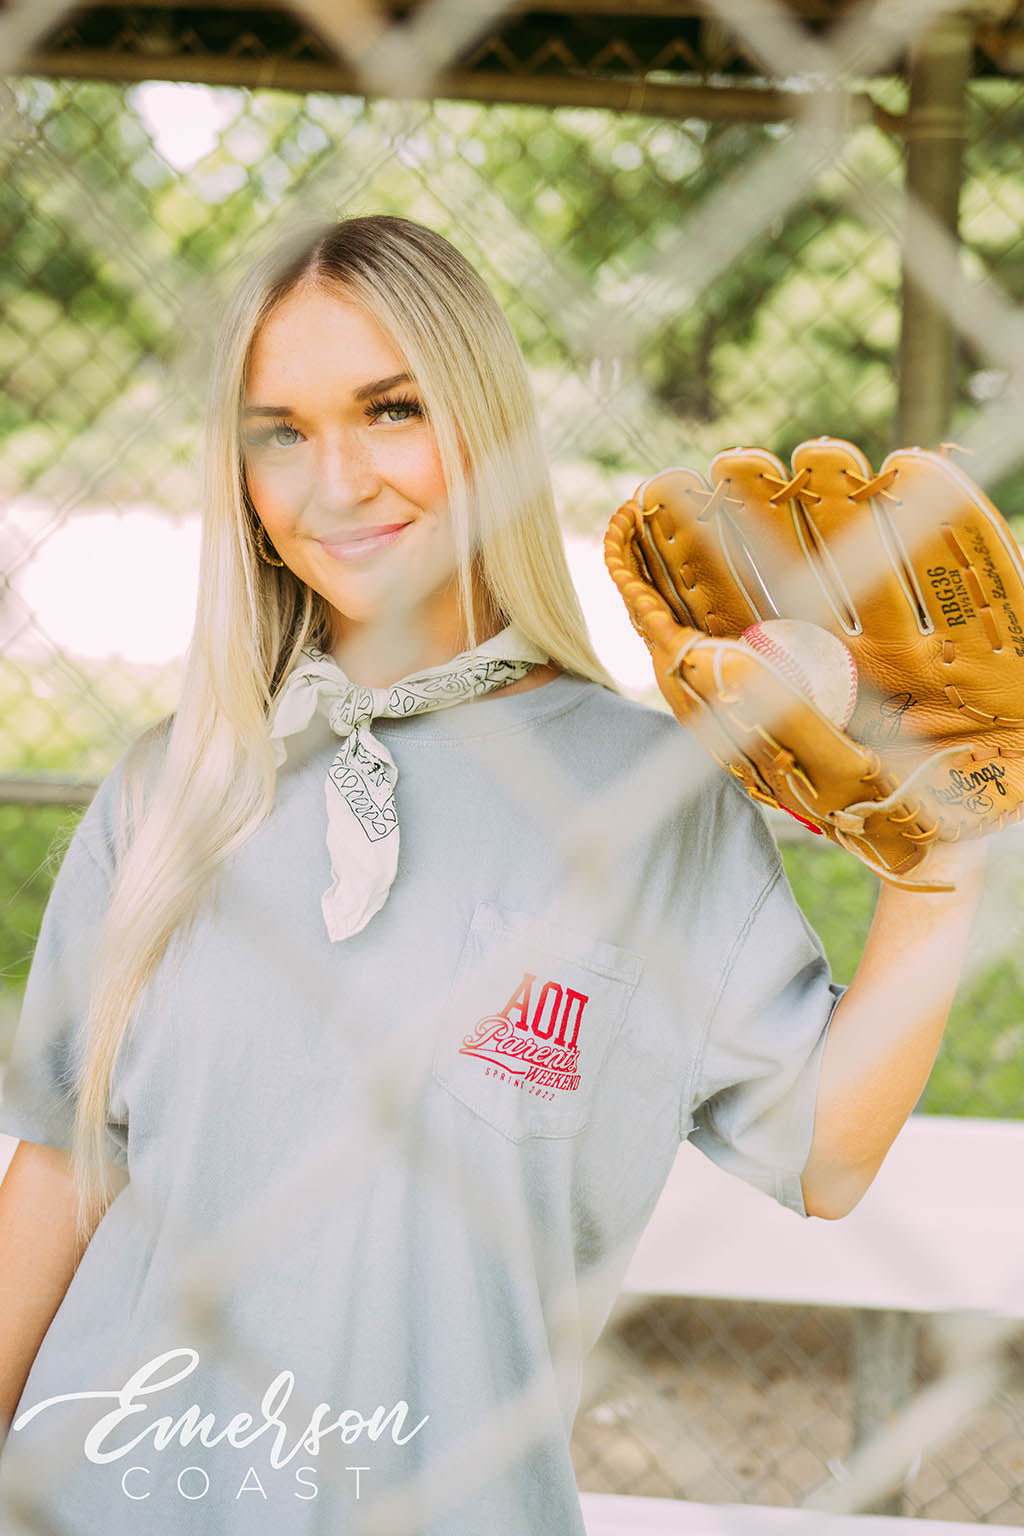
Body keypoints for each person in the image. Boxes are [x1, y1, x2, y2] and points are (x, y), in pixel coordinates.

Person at [0, 213, 986, 1535]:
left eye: (390, 410)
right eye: (278, 431)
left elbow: (823, 1157)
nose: (334, 481)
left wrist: (938, 882)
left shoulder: (651, 797)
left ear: (484, 428)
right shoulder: (167, 790)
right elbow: (64, 1179)